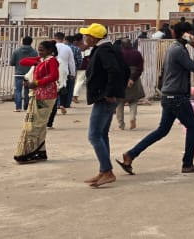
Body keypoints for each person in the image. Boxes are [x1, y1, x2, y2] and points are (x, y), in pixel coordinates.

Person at [118, 22, 194, 175]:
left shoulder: (175, 48)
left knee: (162, 130)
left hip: (170, 95)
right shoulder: (178, 50)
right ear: (185, 34)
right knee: (192, 128)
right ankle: (187, 163)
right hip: (176, 96)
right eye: (191, 33)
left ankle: (131, 154)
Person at [81, 23, 128, 188]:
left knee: (94, 135)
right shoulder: (110, 48)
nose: (85, 38)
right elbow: (124, 70)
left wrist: (109, 93)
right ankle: (103, 170)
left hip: (105, 98)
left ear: (94, 37)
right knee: (102, 134)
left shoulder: (104, 50)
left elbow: (114, 71)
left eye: (87, 35)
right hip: (107, 96)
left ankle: (107, 171)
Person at [14, 40, 59, 163]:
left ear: (50, 50)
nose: (40, 52)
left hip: (46, 95)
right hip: (38, 94)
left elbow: (54, 76)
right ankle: (39, 150)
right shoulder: (43, 60)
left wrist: (37, 82)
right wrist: (38, 59)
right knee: (36, 123)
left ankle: (31, 150)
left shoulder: (52, 61)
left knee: (36, 124)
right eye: (39, 49)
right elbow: (23, 61)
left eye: (42, 50)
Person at [45, 33, 78, 129]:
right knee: (58, 92)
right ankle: (60, 104)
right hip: (62, 73)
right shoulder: (67, 48)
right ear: (63, 39)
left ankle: (54, 108)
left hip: (48, 77)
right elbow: (71, 61)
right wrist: (72, 73)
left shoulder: (48, 48)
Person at [116, 40, 145, 130]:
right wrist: (132, 78)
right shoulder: (137, 54)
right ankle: (132, 117)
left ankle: (121, 124)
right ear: (131, 44)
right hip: (134, 79)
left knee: (119, 102)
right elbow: (140, 68)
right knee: (133, 101)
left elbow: (116, 68)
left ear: (122, 45)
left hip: (121, 79)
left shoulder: (118, 54)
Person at [10, 36, 39, 112]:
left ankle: (18, 107)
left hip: (18, 73)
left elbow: (11, 62)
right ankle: (26, 106)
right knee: (27, 90)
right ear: (31, 42)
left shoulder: (16, 51)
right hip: (29, 74)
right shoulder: (34, 52)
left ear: (22, 41)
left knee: (18, 90)